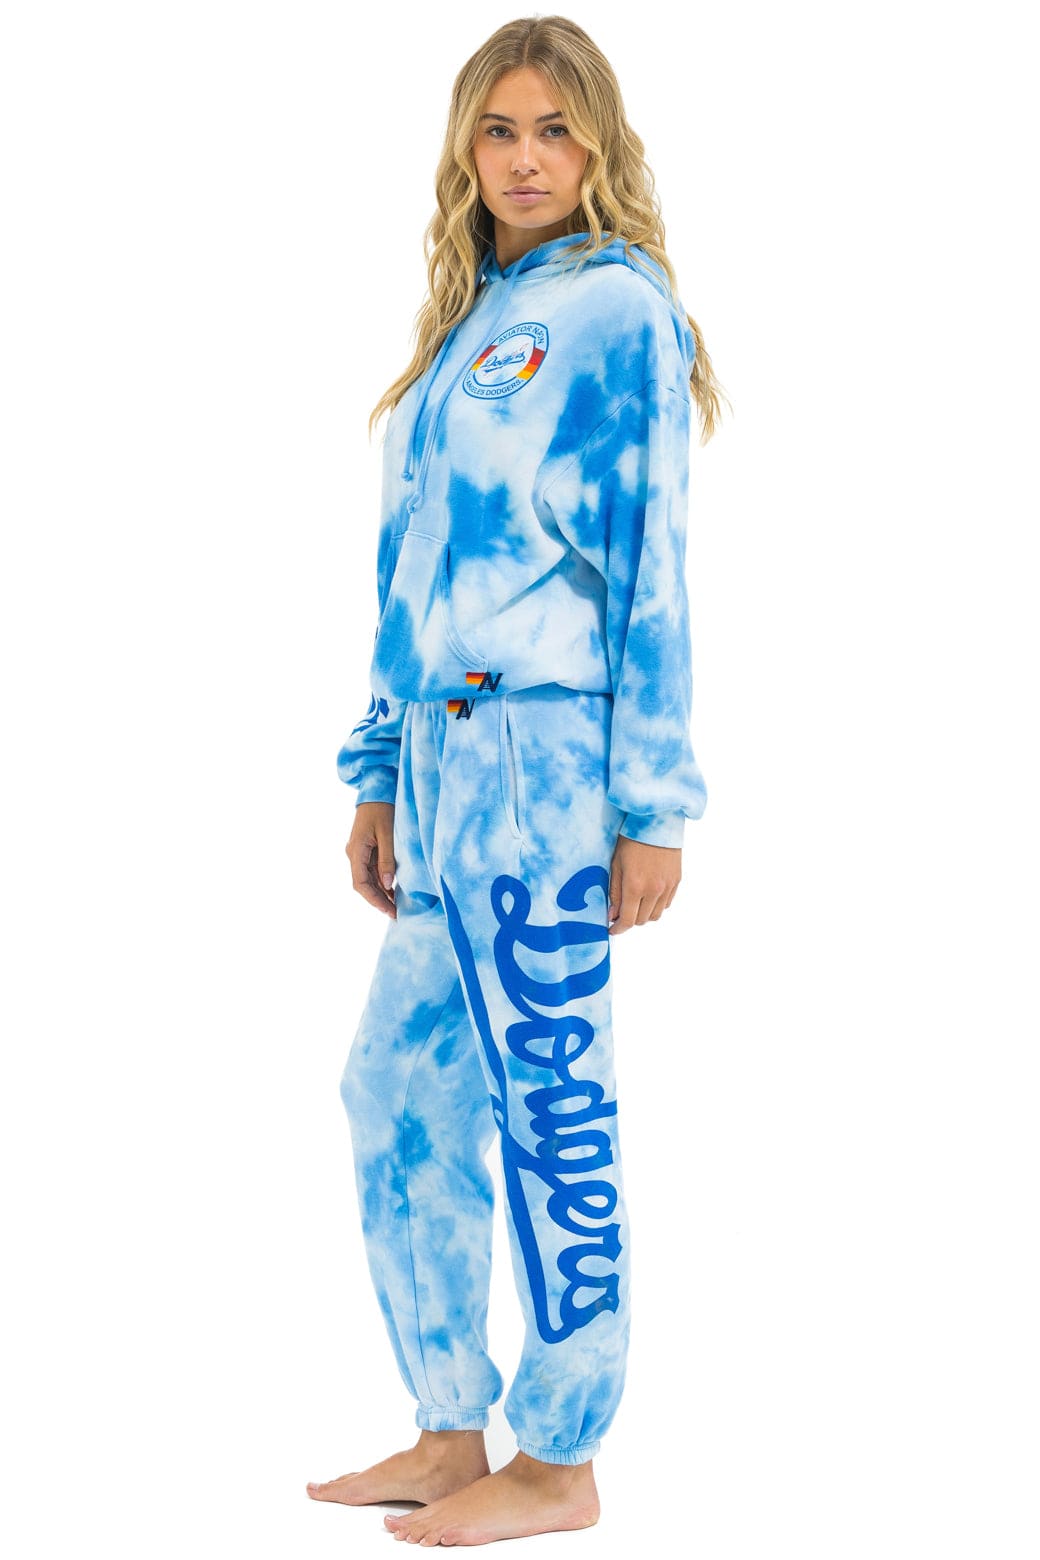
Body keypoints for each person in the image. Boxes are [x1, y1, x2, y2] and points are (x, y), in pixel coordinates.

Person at [307, 14, 726, 1547]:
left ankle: (561, 1455)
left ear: (599, 143)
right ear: (465, 150)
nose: (527, 159)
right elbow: (409, 575)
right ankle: (448, 1427)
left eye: (555, 129)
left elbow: (650, 570)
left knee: (552, 1104)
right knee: (398, 1086)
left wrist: (651, 805)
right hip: (438, 765)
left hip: (547, 764)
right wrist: (377, 771)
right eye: (500, 130)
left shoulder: (618, 314)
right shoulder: (470, 324)